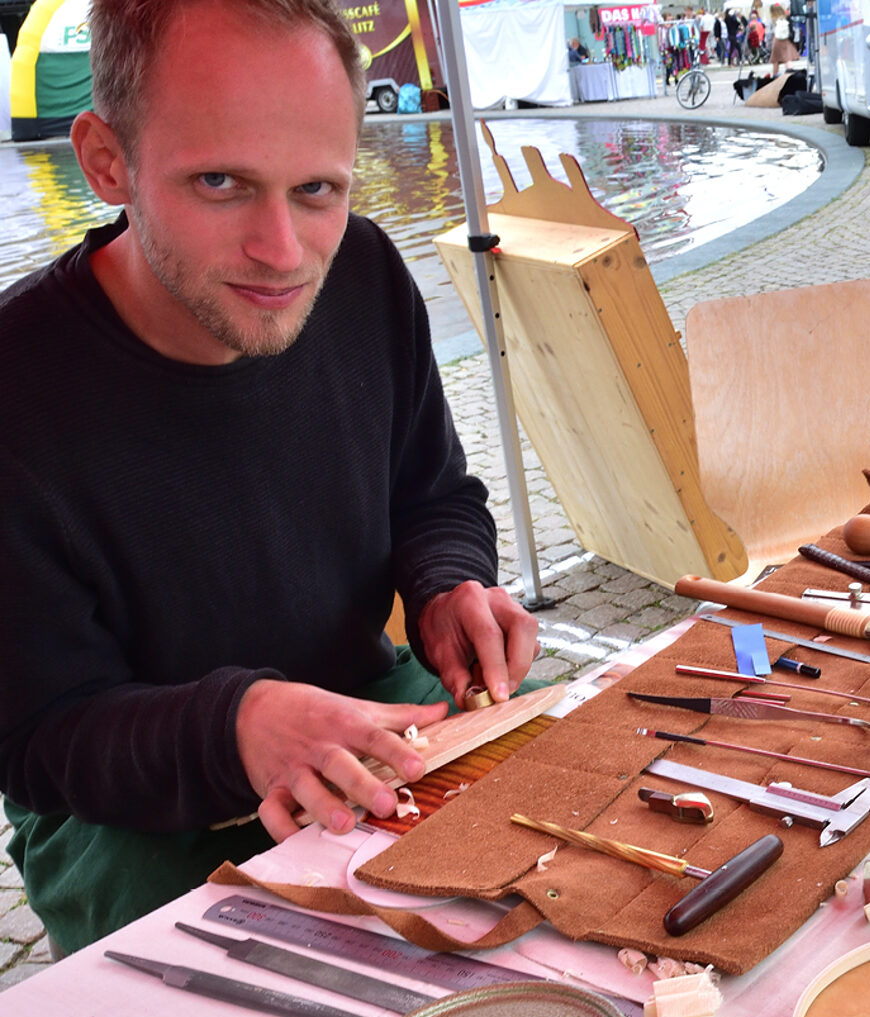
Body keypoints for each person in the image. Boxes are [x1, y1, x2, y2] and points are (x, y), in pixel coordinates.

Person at [0, 0, 541, 956]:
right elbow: (37, 738)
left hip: (371, 700)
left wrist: (446, 583)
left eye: (319, 190)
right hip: (121, 815)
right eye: (220, 182)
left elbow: (434, 494)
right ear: (105, 161)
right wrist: (237, 725)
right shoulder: (16, 385)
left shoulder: (367, 269)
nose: (284, 253)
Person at [769, 2, 798, 72]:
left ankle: (775, 76)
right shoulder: (786, 18)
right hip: (786, 40)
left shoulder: (773, 20)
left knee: (775, 61)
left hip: (777, 41)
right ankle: (790, 74)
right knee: (787, 59)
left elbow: (771, 32)